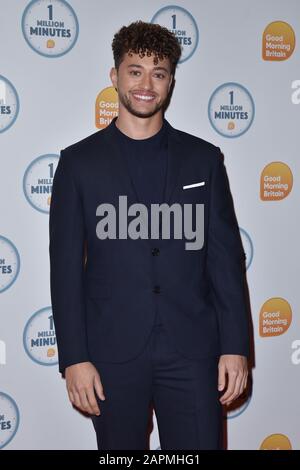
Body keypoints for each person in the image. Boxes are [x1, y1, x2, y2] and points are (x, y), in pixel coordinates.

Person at [49, 20, 250, 450]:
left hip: (194, 351)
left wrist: (235, 346)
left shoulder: (204, 160)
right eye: (134, 70)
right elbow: (65, 270)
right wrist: (74, 358)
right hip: (111, 353)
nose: (146, 83)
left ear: (171, 81)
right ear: (115, 76)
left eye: (158, 73)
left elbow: (225, 261)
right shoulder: (78, 163)